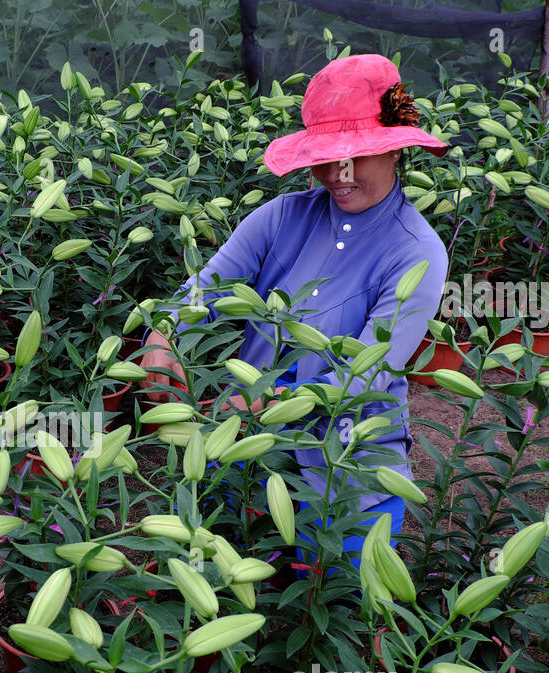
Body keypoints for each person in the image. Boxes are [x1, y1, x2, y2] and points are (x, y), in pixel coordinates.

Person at [141, 53, 450, 562]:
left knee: (341, 611)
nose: (335, 173)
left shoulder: (416, 251)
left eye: (353, 156)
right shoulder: (281, 216)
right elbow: (207, 287)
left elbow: (364, 375)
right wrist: (164, 331)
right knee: (231, 589)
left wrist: (266, 401)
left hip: (347, 470)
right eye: (325, 156)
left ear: (394, 149)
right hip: (247, 454)